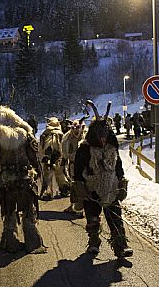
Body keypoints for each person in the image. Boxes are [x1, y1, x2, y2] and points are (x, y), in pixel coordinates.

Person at [0, 92, 47, 254]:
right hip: (25, 180)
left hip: (6, 182)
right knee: (29, 212)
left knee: (9, 213)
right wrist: (40, 177)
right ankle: (33, 242)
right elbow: (34, 159)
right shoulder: (26, 134)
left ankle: (11, 243)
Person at [73, 100, 132, 258]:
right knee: (93, 219)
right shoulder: (85, 149)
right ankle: (93, 243)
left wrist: (121, 181)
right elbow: (77, 170)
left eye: (105, 137)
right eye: (100, 137)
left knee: (115, 219)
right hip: (92, 190)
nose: (103, 140)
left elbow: (118, 165)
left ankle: (121, 246)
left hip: (111, 188)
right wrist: (80, 187)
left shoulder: (112, 148)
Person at [39, 117, 70, 199]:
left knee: (47, 175)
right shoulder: (60, 134)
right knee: (60, 173)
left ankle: (48, 192)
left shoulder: (44, 134)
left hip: (47, 156)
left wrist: (42, 156)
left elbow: (40, 147)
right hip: (59, 155)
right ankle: (65, 189)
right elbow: (64, 146)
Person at [62, 119, 86, 214]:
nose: (76, 130)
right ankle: (73, 205)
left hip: (83, 165)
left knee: (82, 184)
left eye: (78, 128)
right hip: (73, 164)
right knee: (74, 184)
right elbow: (66, 152)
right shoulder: (68, 138)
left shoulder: (85, 138)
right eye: (73, 128)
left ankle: (81, 207)